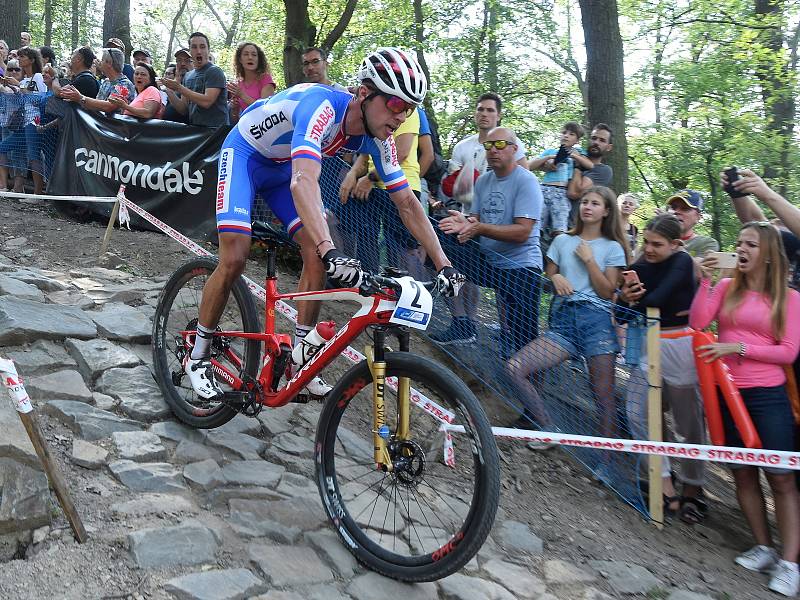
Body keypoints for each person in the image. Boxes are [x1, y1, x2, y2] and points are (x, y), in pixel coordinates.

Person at [184, 47, 465, 400]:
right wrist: (330, 248)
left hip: (283, 165)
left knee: (315, 254)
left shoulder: (380, 138)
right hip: (244, 155)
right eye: (395, 104)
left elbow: (408, 202)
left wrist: (445, 264)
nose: (401, 115)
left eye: (409, 109)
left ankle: (299, 356)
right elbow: (303, 181)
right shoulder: (323, 107)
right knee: (236, 257)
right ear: (364, 93)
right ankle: (199, 354)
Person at [690, 222, 800, 597]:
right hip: (726, 392)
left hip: (768, 395)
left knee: (782, 478)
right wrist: (705, 281)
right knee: (742, 471)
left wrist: (737, 349)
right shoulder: (725, 287)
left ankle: (790, 563)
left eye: (750, 243)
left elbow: (788, 351)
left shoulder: (789, 297)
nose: (741, 248)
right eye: (738, 242)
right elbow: (698, 322)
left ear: (768, 253)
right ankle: (763, 548)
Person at [506, 186, 627, 459]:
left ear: (606, 211)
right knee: (515, 367)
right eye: (584, 202)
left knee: (603, 396)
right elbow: (551, 270)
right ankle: (548, 428)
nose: (587, 207)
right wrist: (556, 277)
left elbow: (608, 292)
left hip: (597, 323)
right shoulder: (562, 241)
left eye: (595, 203)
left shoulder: (613, 247)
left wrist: (589, 261)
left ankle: (606, 463)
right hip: (564, 323)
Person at [619, 214, 706, 523]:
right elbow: (621, 314)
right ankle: (666, 484)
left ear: (676, 244)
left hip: (681, 346)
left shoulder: (682, 261)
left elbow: (655, 298)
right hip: (650, 344)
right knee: (636, 412)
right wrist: (626, 299)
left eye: (657, 244)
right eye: (646, 242)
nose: (650, 249)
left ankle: (694, 490)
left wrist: (630, 301)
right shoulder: (642, 265)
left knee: (688, 422)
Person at [437, 127, 544, 356]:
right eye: (488, 146)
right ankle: (462, 324)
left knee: (525, 340)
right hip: (490, 263)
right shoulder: (484, 181)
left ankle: (528, 383)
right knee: (441, 242)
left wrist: (479, 227)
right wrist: (464, 222)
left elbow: (523, 232)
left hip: (521, 269)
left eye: (500, 145)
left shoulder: (527, 181)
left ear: (514, 150)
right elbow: (477, 218)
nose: (493, 150)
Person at [434, 92, 527, 345]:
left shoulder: (512, 143)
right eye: (480, 109)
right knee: (452, 266)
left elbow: (522, 179)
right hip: (467, 217)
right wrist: (466, 185)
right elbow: (453, 187)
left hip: (501, 225)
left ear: (499, 115)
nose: (484, 114)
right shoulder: (463, 146)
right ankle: (463, 323)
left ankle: (509, 334)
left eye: (490, 110)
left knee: (505, 281)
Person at [529, 121, 594, 245]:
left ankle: (559, 252)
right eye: (564, 133)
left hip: (561, 193)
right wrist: (548, 159)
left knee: (560, 228)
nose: (566, 136)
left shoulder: (578, 153)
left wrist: (575, 157)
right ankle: (534, 246)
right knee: (537, 224)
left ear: (577, 140)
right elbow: (529, 166)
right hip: (544, 190)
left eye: (571, 134)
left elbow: (590, 165)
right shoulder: (550, 152)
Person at [0, 46, 47, 195]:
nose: (19, 59)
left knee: (34, 156)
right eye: (18, 56)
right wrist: (12, 87)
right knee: (3, 147)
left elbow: (40, 98)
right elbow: (24, 98)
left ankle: (37, 194)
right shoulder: (25, 79)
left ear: (32, 60)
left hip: (35, 122)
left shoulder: (38, 77)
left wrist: (18, 85)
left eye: (22, 57)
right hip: (23, 125)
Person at [161, 32, 228, 127]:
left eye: (202, 47)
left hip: (216, 131)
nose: (199, 51)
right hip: (196, 132)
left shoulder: (214, 71)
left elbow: (207, 102)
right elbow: (183, 109)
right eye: (194, 47)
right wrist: (169, 90)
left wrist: (179, 88)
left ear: (208, 50)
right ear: (190, 51)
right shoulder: (188, 76)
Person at [59, 48, 135, 113]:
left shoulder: (124, 84)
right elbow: (97, 105)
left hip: (115, 128)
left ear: (109, 63)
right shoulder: (106, 82)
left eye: (102, 60)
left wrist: (81, 98)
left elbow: (109, 106)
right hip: (100, 126)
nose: (99, 63)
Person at [227, 41, 275, 123]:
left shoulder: (266, 79)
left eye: (254, 55)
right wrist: (235, 109)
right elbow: (236, 121)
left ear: (258, 60)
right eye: (246, 54)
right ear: (240, 60)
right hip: (248, 128)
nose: (250, 57)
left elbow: (264, 109)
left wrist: (242, 95)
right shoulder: (238, 84)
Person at [666, 189, 719, 257]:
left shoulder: (706, 243)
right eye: (673, 207)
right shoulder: (656, 239)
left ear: (698, 217)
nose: (677, 212)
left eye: (685, 209)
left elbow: (699, 267)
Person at [161, 48, 191, 124]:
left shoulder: (193, 82)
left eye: (187, 60)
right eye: (179, 60)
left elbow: (183, 110)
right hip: (166, 129)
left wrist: (168, 90)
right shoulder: (175, 82)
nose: (183, 64)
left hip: (184, 132)